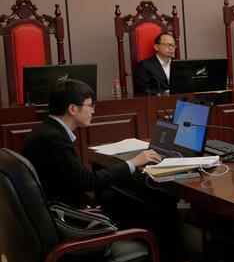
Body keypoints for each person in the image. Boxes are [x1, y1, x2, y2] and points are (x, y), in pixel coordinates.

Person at [22, 79, 161, 207]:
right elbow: (88, 182)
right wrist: (133, 163)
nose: (93, 111)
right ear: (72, 109)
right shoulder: (54, 139)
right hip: (63, 212)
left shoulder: (45, 130)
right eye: (89, 105)